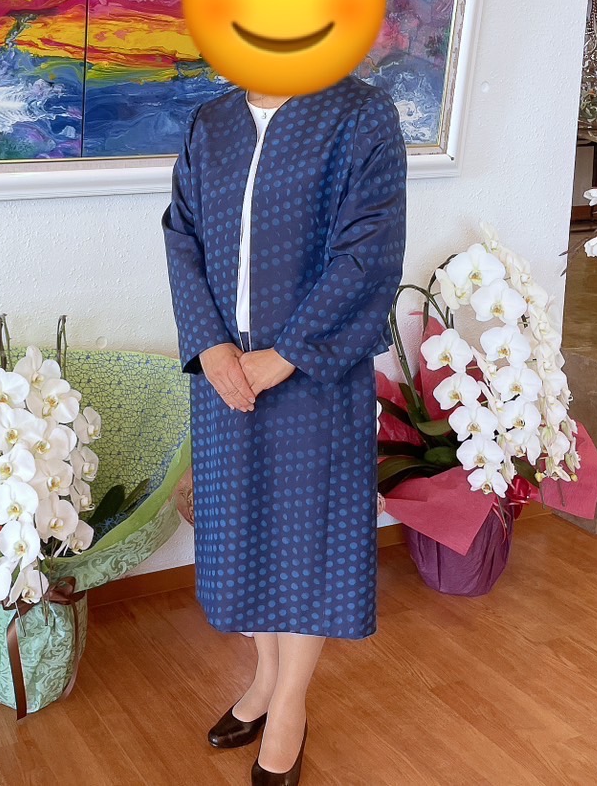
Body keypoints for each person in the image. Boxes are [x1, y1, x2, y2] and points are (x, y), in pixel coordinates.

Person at [162, 75, 406, 786]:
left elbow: (368, 250)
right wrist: (211, 347)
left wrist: (287, 354)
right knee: (247, 535)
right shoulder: (212, 121)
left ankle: (290, 708)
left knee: (307, 542)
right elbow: (181, 236)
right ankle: (265, 680)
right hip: (224, 374)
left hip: (313, 372)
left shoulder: (359, 115)